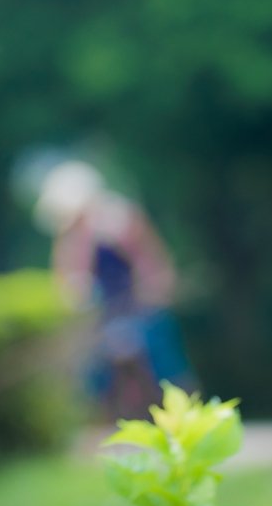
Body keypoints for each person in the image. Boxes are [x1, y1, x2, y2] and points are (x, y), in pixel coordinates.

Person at [36, 160, 197, 419]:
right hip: (103, 315)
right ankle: (106, 424)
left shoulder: (119, 220)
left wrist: (154, 290)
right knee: (96, 371)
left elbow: (152, 263)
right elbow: (67, 277)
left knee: (163, 363)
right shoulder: (71, 235)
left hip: (140, 308)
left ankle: (185, 416)